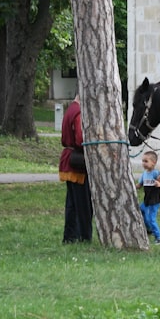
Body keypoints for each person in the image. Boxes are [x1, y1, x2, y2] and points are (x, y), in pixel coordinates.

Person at [59, 94, 92, 243]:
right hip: (77, 161)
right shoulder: (78, 111)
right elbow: (80, 139)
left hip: (69, 159)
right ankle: (83, 236)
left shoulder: (71, 109)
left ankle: (70, 236)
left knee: (72, 204)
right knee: (82, 203)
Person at [137, 150, 160, 244]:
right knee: (140, 210)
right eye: (143, 161)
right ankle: (148, 229)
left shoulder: (156, 173)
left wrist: (159, 184)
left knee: (151, 219)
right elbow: (139, 185)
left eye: (146, 161)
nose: (144, 163)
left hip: (154, 201)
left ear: (153, 163)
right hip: (146, 201)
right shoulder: (144, 174)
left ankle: (159, 237)